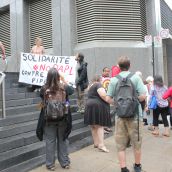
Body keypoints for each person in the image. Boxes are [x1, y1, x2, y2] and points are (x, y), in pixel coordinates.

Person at [106, 56, 146, 172]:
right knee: (136, 143)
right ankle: (137, 166)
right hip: (135, 115)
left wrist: (118, 104)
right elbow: (143, 96)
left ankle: (123, 168)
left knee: (120, 145)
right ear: (130, 65)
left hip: (120, 116)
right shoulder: (136, 78)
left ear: (118, 67)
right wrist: (134, 101)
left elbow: (108, 98)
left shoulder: (114, 80)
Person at [40, 68, 72, 170]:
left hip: (49, 119)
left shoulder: (44, 88)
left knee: (50, 141)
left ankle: (50, 164)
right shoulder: (65, 87)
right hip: (63, 118)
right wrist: (64, 79)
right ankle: (65, 163)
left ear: (48, 77)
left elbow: (42, 99)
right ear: (58, 76)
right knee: (63, 140)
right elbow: (72, 90)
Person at [84, 75, 111, 153]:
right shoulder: (98, 84)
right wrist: (109, 101)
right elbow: (102, 94)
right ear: (100, 79)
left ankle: (96, 143)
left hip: (89, 105)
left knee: (93, 125)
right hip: (96, 106)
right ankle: (101, 145)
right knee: (99, 125)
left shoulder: (90, 86)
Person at [101, 67, 112, 134]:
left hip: (108, 98)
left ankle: (106, 126)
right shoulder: (100, 79)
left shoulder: (111, 79)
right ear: (103, 71)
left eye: (108, 71)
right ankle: (102, 128)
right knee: (102, 113)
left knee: (107, 113)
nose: (107, 72)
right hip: (102, 98)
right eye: (105, 71)